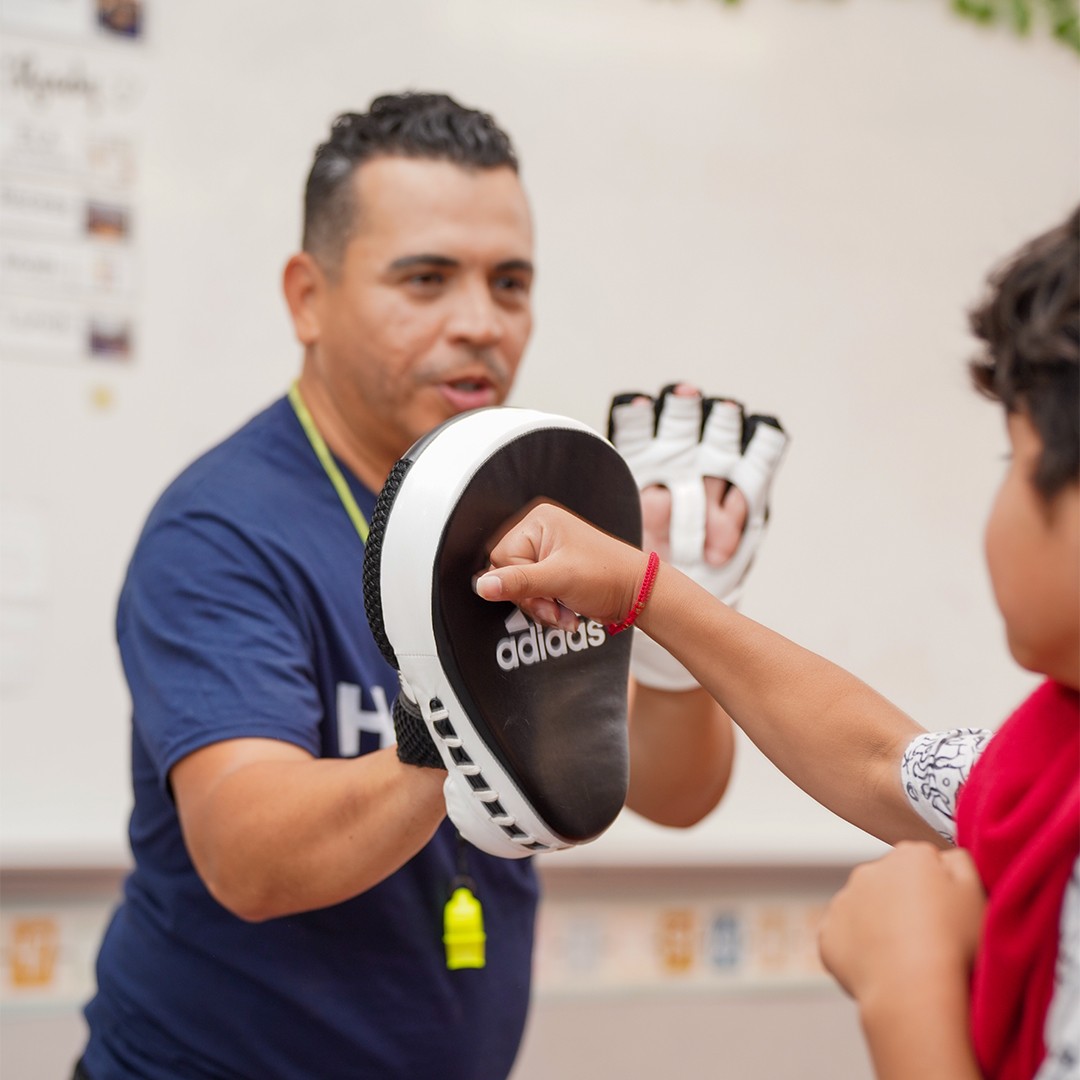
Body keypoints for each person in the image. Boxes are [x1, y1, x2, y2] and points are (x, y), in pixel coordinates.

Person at [74, 92, 750, 1080]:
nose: (481, 322)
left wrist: (671, 629)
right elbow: (249, 857)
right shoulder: (220, 530)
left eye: (509, 282)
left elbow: (678, 792)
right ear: (308, 296)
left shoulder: (523, 505)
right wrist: (464, 724)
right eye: (426, 279)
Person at [475, 204, 1079, 1079]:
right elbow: (881, 761)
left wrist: (907, 990)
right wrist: (648, 594)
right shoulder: (1050, 755)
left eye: (1012, 464)